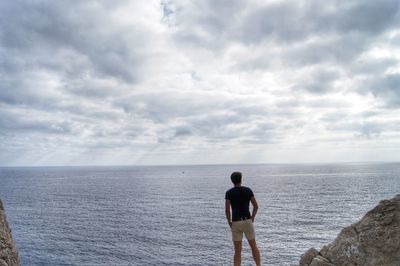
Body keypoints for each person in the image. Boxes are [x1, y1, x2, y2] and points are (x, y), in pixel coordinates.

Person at [225, 172, 261, 266]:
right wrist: (252, 218)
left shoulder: (229, 193)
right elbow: (256, 206)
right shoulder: (248, 190)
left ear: (232, 181)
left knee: (237, 251)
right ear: (241, 179)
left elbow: (227, 210)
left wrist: (230, 223)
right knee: (253, 246)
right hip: (247, 221)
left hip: (236, 223)